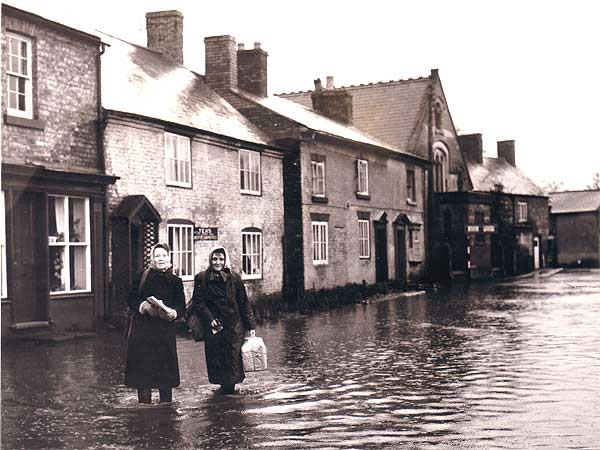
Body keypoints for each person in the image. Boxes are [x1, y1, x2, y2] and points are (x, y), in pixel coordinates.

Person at [190, 246, 256, 395]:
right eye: (214, 259)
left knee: (233, 361)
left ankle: (230, 398)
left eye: (221, 259)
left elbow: (244, 302)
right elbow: (198, 302)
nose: (217, 262)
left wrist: (251, 326)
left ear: (225, 260)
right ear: (210, 260)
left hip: (234, 327)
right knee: (217, 360)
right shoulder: (202, 278)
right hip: (214, 327)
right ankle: (223, 398)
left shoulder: (235, 279)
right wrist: (209, 318)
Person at [124, 243, 185, 404]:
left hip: (164, 333)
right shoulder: (142, 276)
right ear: (152, 259)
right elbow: (131, 298)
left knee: (165, 375)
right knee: (143, 375)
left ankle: (166, 412)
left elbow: (181, 305)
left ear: (169, 258)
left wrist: (174, 313)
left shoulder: (176, 281)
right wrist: (143, 306)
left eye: (164, 255)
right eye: (157, 256)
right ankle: (144, 410)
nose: (161, 259)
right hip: (143, 332)